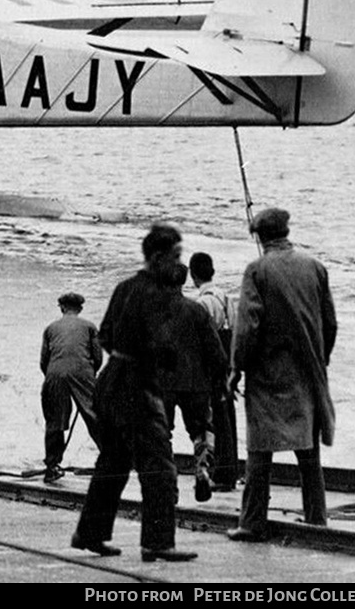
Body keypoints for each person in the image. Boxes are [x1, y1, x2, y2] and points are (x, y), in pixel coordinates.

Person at [70, 224, 197, 563]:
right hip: (137, 386)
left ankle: (90, 532)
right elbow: (162, 346)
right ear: (158, 257)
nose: (177, 262)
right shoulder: (158, 294)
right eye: (174, 256)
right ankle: (157, 541)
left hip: (111, 382)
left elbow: (105, 336)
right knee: (159, 467)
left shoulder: (126, 286)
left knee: (112, 463)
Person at [227, 208, 337, 542]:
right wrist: (320, 359)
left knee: (260, 450)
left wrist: (236, 367)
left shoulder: (257, 270)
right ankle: (317, 517)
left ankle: (252, 522)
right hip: (307, 372)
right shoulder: (315, 267)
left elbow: (247, 326)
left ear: (260, 236)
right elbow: (330, 323)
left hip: (267, 375)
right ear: (286, 231)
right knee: (308, 449)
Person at [159, 264, 228, 504]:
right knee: (202, 431)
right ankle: (202, 469)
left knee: (162, 435)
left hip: (163, 385)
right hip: (196, 383)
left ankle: (168, 487)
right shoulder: (197, 311)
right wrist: (220, 379)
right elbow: (216, 352)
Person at [189, 252, 239, 491]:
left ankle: (222, 474)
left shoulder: (201, 303)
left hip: (209, 365)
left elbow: (199, 340)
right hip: (228, 361)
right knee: (228, 414)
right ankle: (231, 470)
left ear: (193, 275)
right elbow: (237, 331)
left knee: (215, 418)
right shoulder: (225, 296)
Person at [40, 292, 102, 482]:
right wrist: (89, 376)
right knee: (96, 416)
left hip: (55, 372)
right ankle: (111, 463)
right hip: (82, 371)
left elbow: (44, 361)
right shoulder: (89, 327)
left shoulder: (50, 328)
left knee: (55, 421)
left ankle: (52, 466)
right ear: (80, 309)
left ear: (61, 307)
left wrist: (55, 375)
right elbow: (97, 357)